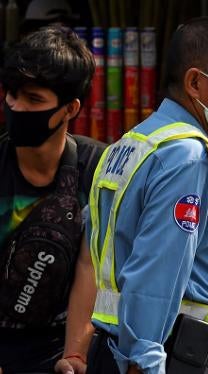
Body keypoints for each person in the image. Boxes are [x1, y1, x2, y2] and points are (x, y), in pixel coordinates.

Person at [56, 16, 208, 374]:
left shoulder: (130, 144)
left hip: (119, 346)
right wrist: (146, 360)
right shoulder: (187, 155)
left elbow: (119, 249)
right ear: (195, 82)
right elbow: (157, 267)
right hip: (170, 355)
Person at [0, 26, 106, 373]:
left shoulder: (96, 168)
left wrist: (75, 355)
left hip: (59, 341)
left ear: (70, 109)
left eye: (34, 99)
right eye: (12, 95)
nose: (16, 107)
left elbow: (89, 265)